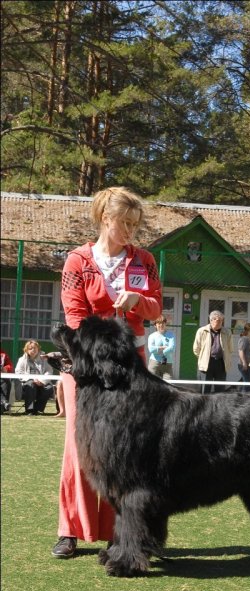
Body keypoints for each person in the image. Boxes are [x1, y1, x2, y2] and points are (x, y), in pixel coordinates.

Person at [51, 186, 162, 560]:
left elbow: (155, 307)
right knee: (80, 448)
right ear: (104, 219)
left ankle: (127, 533)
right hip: (85, 367)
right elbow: (74, 316)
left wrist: (138, 301)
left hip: (133, 368)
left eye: (135, 224)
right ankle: (71, 530)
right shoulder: (77, 262)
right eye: (124, 223)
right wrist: (98, 349)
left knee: (130, 450)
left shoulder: (143, 260)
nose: (130, 230)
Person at [193, 310, 233, 394]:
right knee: (205, 389)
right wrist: (203, 357)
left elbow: (230, 348)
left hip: (221, 363)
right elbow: (196, 348)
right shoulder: (201, 331)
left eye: (221, 320)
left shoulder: (227, 332)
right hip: (207, 363)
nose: (219, 322)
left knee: (220, 390)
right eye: (217, 320)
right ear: (211, 320)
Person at [15, 341, 54, 415]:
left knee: (49, 388)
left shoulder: (45, 358)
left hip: (42, 382)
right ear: (26, 350)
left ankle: (38, 409)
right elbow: (18, 372)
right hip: (27, 382)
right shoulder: (21, 359)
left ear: (38, 349)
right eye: (30, 348)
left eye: (35, 348)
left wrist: (42, 381)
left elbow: (49, 371)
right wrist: (31, 379)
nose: (33, 350)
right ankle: (29, 410)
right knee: (30, 384)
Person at [147, 315, 175, 380]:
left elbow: (172, 348)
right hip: (154, 363)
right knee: (153, 383)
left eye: (163, 323)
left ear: (166, 324)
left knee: (169, 383)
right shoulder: (152, 336)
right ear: (155, 325)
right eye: (159, 323)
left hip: (167, 363)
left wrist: (161, 351)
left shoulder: (171, 335)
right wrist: (163, 348)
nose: (161, 325)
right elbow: (151, 349)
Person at [237, 322, 250, 391]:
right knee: (247, 383)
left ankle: (240, 394)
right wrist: (244, 363)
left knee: (246, 381)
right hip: (244, 364)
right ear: (248, 330)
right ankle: (245, 397)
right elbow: (241, 351)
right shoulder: (244, 339)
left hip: (249, 364)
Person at [1, 348, 13, 413]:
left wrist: (5, 368)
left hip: (1, 377)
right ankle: (4, 401)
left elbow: (10, 365)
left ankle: (3, 404)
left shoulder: (3, 354)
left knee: (6, 381)